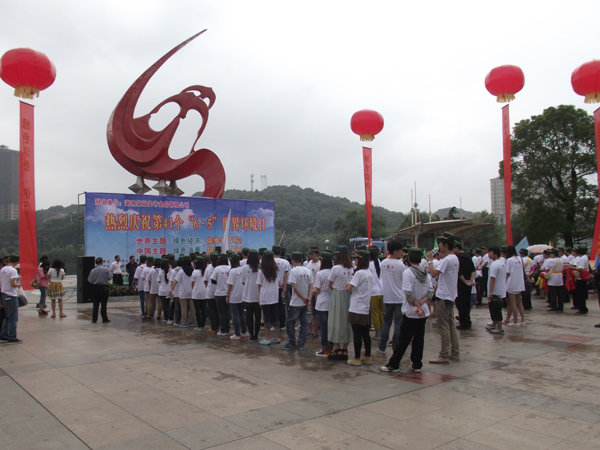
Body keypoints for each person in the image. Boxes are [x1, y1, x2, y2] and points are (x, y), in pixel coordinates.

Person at [381, 247, 433, 372]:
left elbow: (408, 293)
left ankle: (394, 364)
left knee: (403, 339)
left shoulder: (408, 273)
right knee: (419, 339)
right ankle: (417, 364)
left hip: (411, 311)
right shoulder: (426, 273)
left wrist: (416, 304)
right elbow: (430, 292)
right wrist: (422, 303)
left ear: (408, 258)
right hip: (423, 312)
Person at [426, 232, 460, 364]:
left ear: (445, 245)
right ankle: (455, 352)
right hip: (450, 295)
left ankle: (444, 354)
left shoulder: (447, 260)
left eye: (440, 243)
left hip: (444, 296)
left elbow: (434, 273)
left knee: (444, 326)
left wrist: (430, 260)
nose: (439, 246)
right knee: (451, 324)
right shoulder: (454, 258)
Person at [378, 240, 406, 354]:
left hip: (387, 297)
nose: (402, 252)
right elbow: (404, 281)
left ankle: (382, 347)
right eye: (400, 250)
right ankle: (396, 347)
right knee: (398, 323)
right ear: (395, 251)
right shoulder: (401, 265)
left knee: (387, 322)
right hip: (399, 297)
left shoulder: (383, 263)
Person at [346, 250, 373, 366]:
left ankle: (357, 358)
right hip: (365, 306)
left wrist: (348, 284)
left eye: (356, 258)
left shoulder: (359, 273)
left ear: (360, 260)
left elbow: (349, 288)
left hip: (356, 307)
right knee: (365, 333)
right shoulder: (369, 273)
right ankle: (367, 356)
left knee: (356, 333)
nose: (355, 260)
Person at [327, 246, 354, 360]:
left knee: (335, 320)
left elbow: (330, 284)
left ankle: (337, 348)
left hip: (337, 295)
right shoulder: (351, 269)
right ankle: (345, 349)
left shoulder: (335, 268)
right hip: (348, 295)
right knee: (346, 321)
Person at [283, 252, 313, 350]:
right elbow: (311, 287)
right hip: (305, 302)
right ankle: (301, 344)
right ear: (301, 260)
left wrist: (303, 297)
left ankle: (292, 342)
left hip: (296, 302)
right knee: (304, 323)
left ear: (292, 261)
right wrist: (308, 299)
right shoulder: (308, 271)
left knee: (290, 322)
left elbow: (294, 287)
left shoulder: (293, 271)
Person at [257, 250, 281, 345]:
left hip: (265, 296)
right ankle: (276, 337)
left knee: (267, 318)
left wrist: (259, 297)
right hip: (274, 296)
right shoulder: (276, 269)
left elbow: (259, 285)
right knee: (275, 317)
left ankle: (267, 338)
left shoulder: (261, 271)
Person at [314, 251, 333, 357]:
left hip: (322, 303)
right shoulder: (333, 272)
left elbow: (318, 290)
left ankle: (324, 349)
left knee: (324, 327)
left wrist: (312, 292)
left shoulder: (320, 273)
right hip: (332, 302)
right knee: (331, 327)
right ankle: (331, 348)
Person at [0, 255, 22, 344]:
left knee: (7, 316)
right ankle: (12, 336)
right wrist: (19, 283)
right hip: (11, 295)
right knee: (13, 317)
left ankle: (3, 334)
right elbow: (12, 284)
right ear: (16, 262)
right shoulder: (13, 270)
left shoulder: (3, 269)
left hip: (4, 294)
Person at [454, 241, 475, 329]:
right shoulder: (468, 256)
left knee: (460, 303)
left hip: (460, 284)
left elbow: (459, 272)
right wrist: (470, 280)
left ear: (457, 248)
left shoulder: (457, 257)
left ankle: (464, 323)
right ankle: (467, 320)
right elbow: (473, 270)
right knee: (467, 303)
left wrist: (464, 281)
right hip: (468, 284)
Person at [485, 246, 506, 334]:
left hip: (495, 290)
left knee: (496, 310)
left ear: (495, 254)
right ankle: (494, 324)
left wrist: (490, 291)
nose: (489, 254)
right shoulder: (502, 263)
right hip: (500, 289)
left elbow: (492, 278)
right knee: (494, 309)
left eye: (490, 252)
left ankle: (499, 327)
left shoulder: (494, 265)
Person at [242, 249, 261, 342]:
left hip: (248, 295)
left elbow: (243, 281)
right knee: (258, 317)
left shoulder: (244, 268)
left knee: (249, 316)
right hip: (258, 296)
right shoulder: (260, 268)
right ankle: (256, 335)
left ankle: (251, 336)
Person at [170, 256, 195, 327]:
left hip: (183, 292)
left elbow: (176, 281)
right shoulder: (193, 270)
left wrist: (171, 289)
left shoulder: (181, 271)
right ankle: (191, 321)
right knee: (192, 308)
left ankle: (184, 322)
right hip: (191, 291)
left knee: (184, 308)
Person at [226, 254, 247, 339]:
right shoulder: (243, 269)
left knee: (235, 315)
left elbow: (230, 285)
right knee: (242, 314)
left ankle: (237, 334)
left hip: (234, 295)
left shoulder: (232, 271)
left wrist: (227, 295)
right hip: (242, 295)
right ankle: (244, 332)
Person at [505, 245, 526, 326]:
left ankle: (515, 321)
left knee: (513, 303)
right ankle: (523, 320)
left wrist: (504, 282)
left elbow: (507, 273)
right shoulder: (520, 259)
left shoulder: (509, 260)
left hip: (512, 283)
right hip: (519, 283)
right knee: (520, 303)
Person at [87, 256, 112, 323]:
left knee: (95, 304)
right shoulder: (106, 269)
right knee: (103, 304)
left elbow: (90, 280)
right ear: (102, 262)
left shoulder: (93, 270)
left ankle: (94, 319)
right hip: (103, 287)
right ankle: (104, 318)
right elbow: (110, 277)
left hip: (95, 287)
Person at [212, 254, 231, 335]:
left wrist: (220, 282)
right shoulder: (230, 268)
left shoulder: (217, 269)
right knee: (227, 312)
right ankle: (227, 328)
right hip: (228, 293)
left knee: (221, 313)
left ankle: (223, 330)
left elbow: (213, 281)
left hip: (219, 293)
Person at [369, 247, 384, 339]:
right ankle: (382, 330)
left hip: (374, 292)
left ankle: (377, 331)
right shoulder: (380, 263)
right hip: (382, 291)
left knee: (375, 313)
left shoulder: (370, 264)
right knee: (381, 313)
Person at [273, 245, 289, 331]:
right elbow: (286, 276)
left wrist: (278, 283)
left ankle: (275, 324)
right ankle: (282, 324)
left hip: (273, 287)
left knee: (274, 306)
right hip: (282, 287)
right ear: (280, 252)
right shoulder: (285, 262)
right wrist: (284, 287)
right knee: (282, 306)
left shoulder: (271, 261)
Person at [306, 246, 321, 339]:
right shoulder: (308, 264)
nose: (311, 256)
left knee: (316, 313)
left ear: (317, 254)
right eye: (310, 254)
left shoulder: (320, 265)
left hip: (316, 290)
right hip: (309, 290)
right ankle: (309, 330)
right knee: (309, 312)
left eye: (313, 254)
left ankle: (315, 331)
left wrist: (317, 292)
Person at [543, 248, 564, 312]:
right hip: (559, 276)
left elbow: (545, 268)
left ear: (554, 254)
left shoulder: (551, 261)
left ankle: (554, 307)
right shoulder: (561, 260)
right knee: (560, 294)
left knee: (553, 293)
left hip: (553, 277)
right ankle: (561, 307)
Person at [191, 257, 207, 330]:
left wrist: (194, 289)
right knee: (204, 310)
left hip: (196, 293)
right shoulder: (205, 271)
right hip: (204, 292)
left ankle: (199, 325)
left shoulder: (195, 272)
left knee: (197, 310)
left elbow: (192, 283)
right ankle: (203, 324)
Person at [158, 259, 171, 323]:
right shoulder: (171, 271)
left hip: (162, 291)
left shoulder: (160, 272)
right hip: (168, 291)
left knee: (164, 305)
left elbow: (159, 281)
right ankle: (169, 317)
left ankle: (165, 317)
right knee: (168, 304)